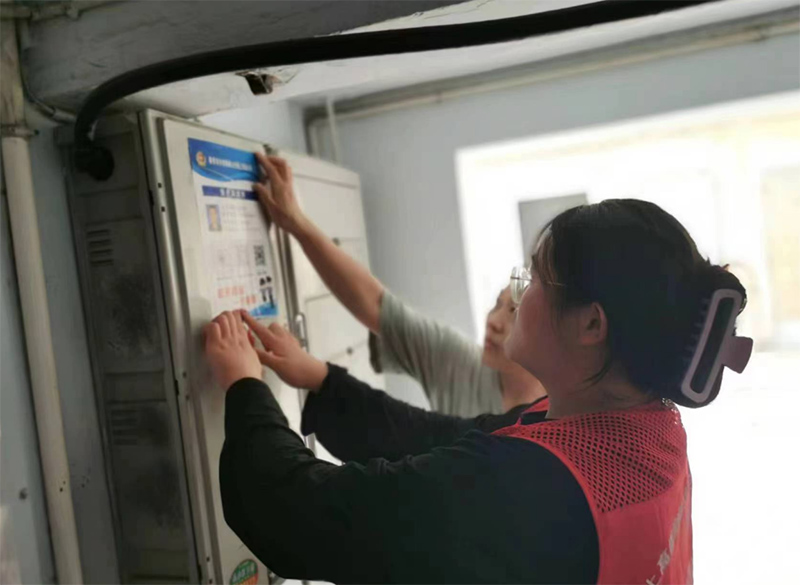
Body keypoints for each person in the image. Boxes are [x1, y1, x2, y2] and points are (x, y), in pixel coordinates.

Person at [207, 199, 751, 583]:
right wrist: (325, 382)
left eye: (534, 279)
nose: (517, 296)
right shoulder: (645, 433)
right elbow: (441, 437)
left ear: (591, 324)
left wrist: (244, 384)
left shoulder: (529, 487)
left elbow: (296, 513)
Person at [253, 153, 545, 416]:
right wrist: (297, 224)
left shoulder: (558, 425)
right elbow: (376, 303)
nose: (493, 322)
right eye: (496, 304)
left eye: (513, 313)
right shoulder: (461, 365)